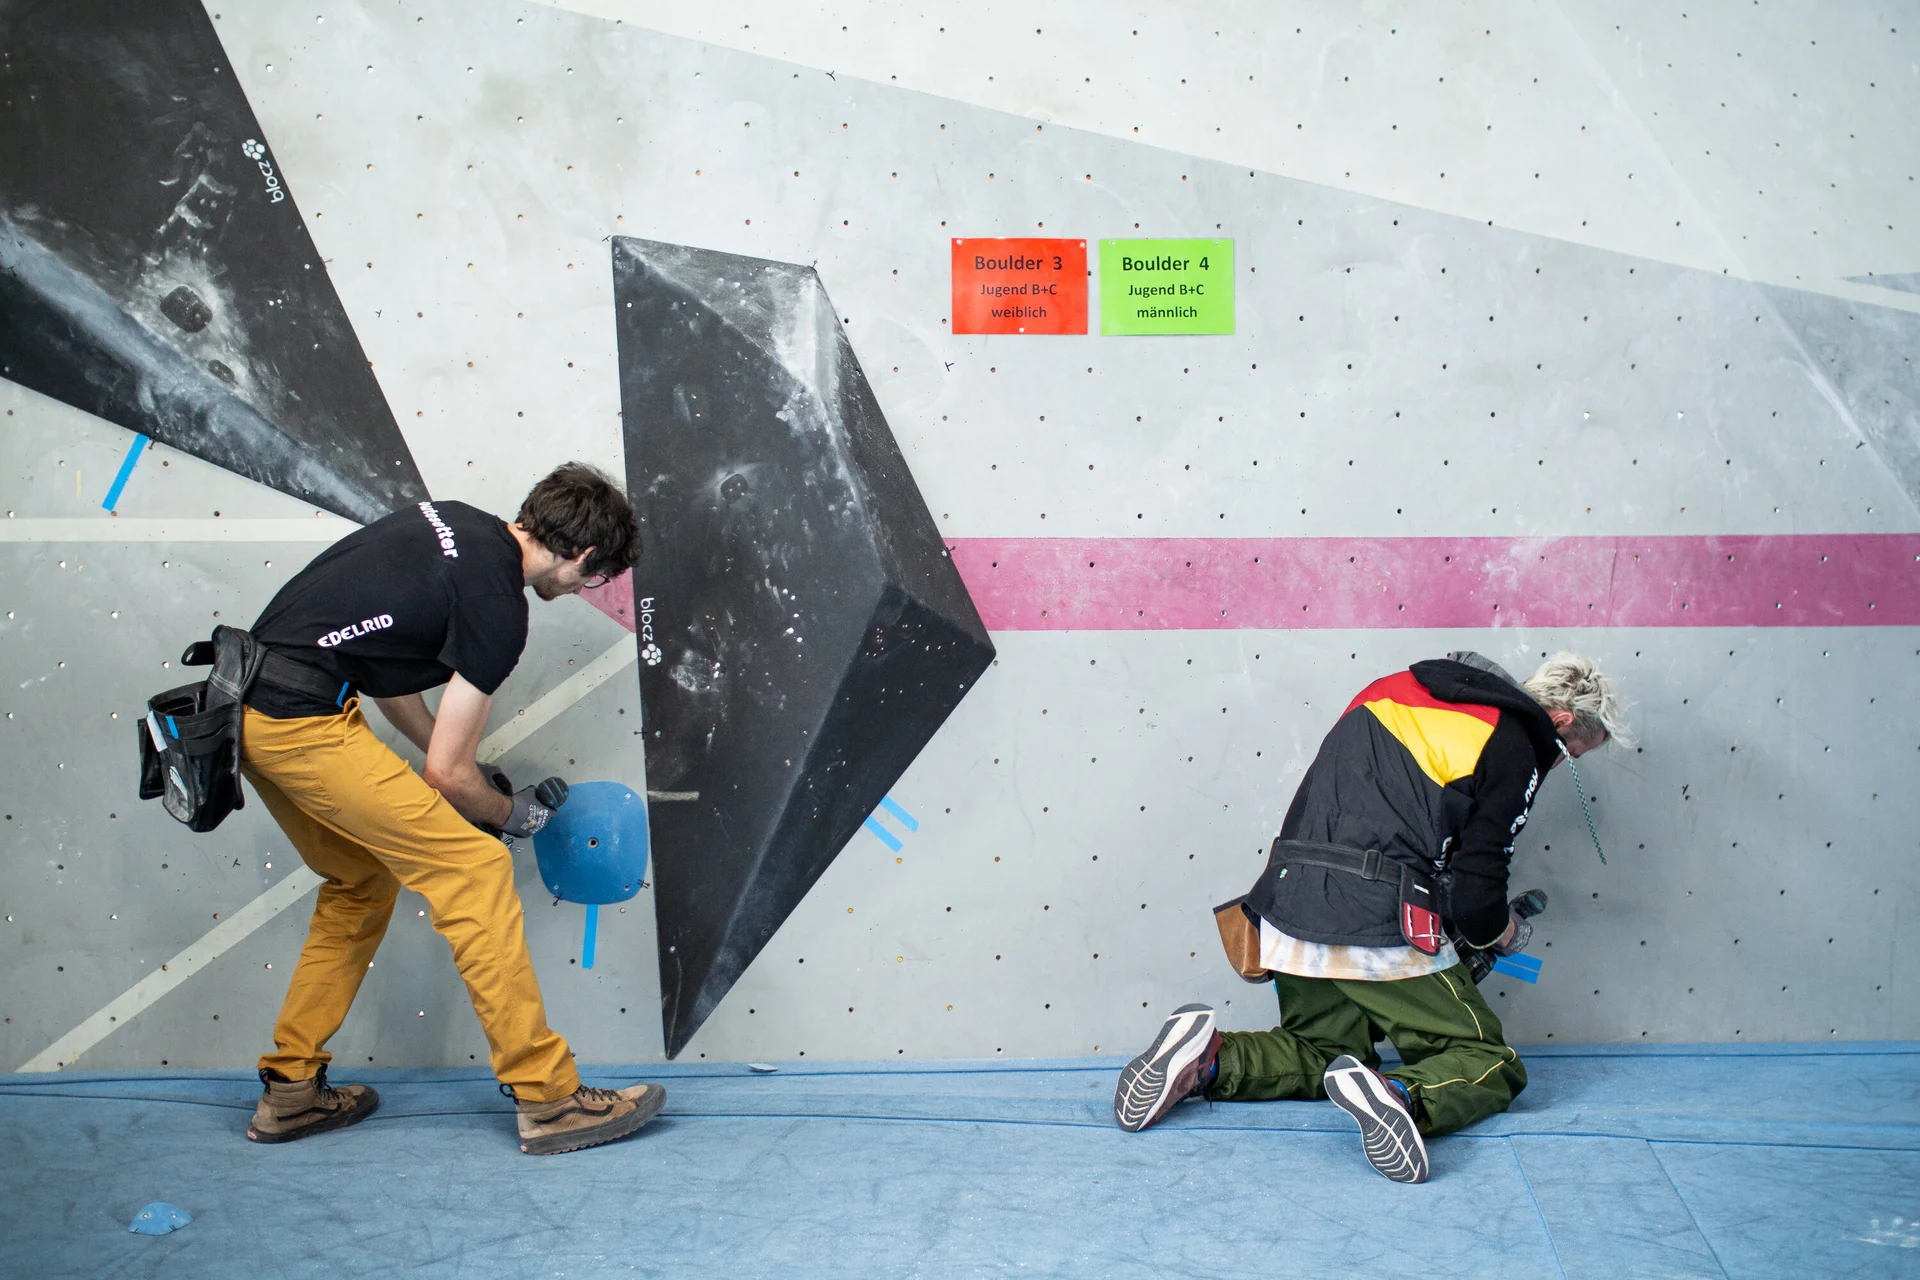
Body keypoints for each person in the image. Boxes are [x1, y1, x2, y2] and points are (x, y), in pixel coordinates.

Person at [235, 463, 664, 1156]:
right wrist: (505, 814)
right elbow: (445, 774)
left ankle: (292, 1092)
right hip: (304, 722)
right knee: (475, 869)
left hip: (248, 714)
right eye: (594, 577)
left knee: (359, 881)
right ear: (584, 556)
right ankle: (549, 1099)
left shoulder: (454, 523)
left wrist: (461, 768)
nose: (585, 589)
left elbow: (378, 670)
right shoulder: (500, 608)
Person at [1112, 652, 1630, 1182]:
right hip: (1374, 914)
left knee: (1320, 1050)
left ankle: (1204, 1060)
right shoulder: (1517, 739)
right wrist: (1504, 933)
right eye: (1570, 751)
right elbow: (1477, 897)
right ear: (1561, 720)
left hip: (1286, 901)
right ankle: (1397, 1098)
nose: (1561, 760)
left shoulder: (1395, 687)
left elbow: (1373, 817)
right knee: (1488, 1060)